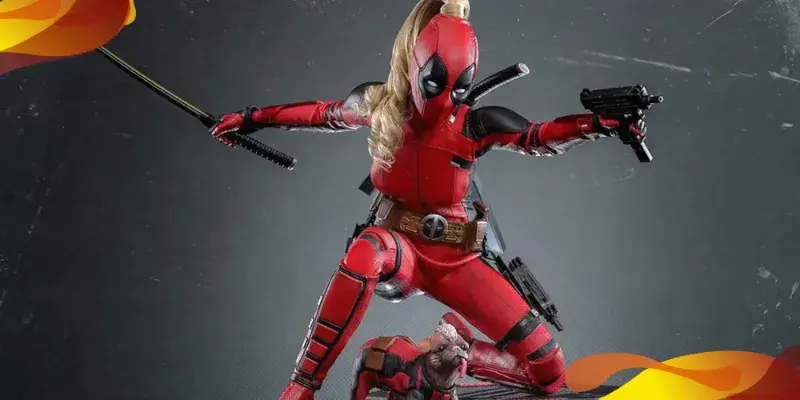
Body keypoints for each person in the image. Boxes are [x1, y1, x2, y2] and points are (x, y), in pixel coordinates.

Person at [209, 0, 647, 399]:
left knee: (549, 372)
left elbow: (539, 136)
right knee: (365, 252)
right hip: (398, 249)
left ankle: (460, 349)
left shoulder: (475, 124)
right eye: (436, 81)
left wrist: (598, 125)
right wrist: (250, 118)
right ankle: (302, 385)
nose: (445, 98)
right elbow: (319, 115)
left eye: (460, 86)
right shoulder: (379, 105)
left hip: (455, 260)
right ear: (415, 65)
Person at [351, 313, 471, 400]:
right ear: (432, 352)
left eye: (462, 347)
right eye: (442, 348)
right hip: (372, 357)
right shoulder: (418, 384)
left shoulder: (448, 381)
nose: (456, 350)